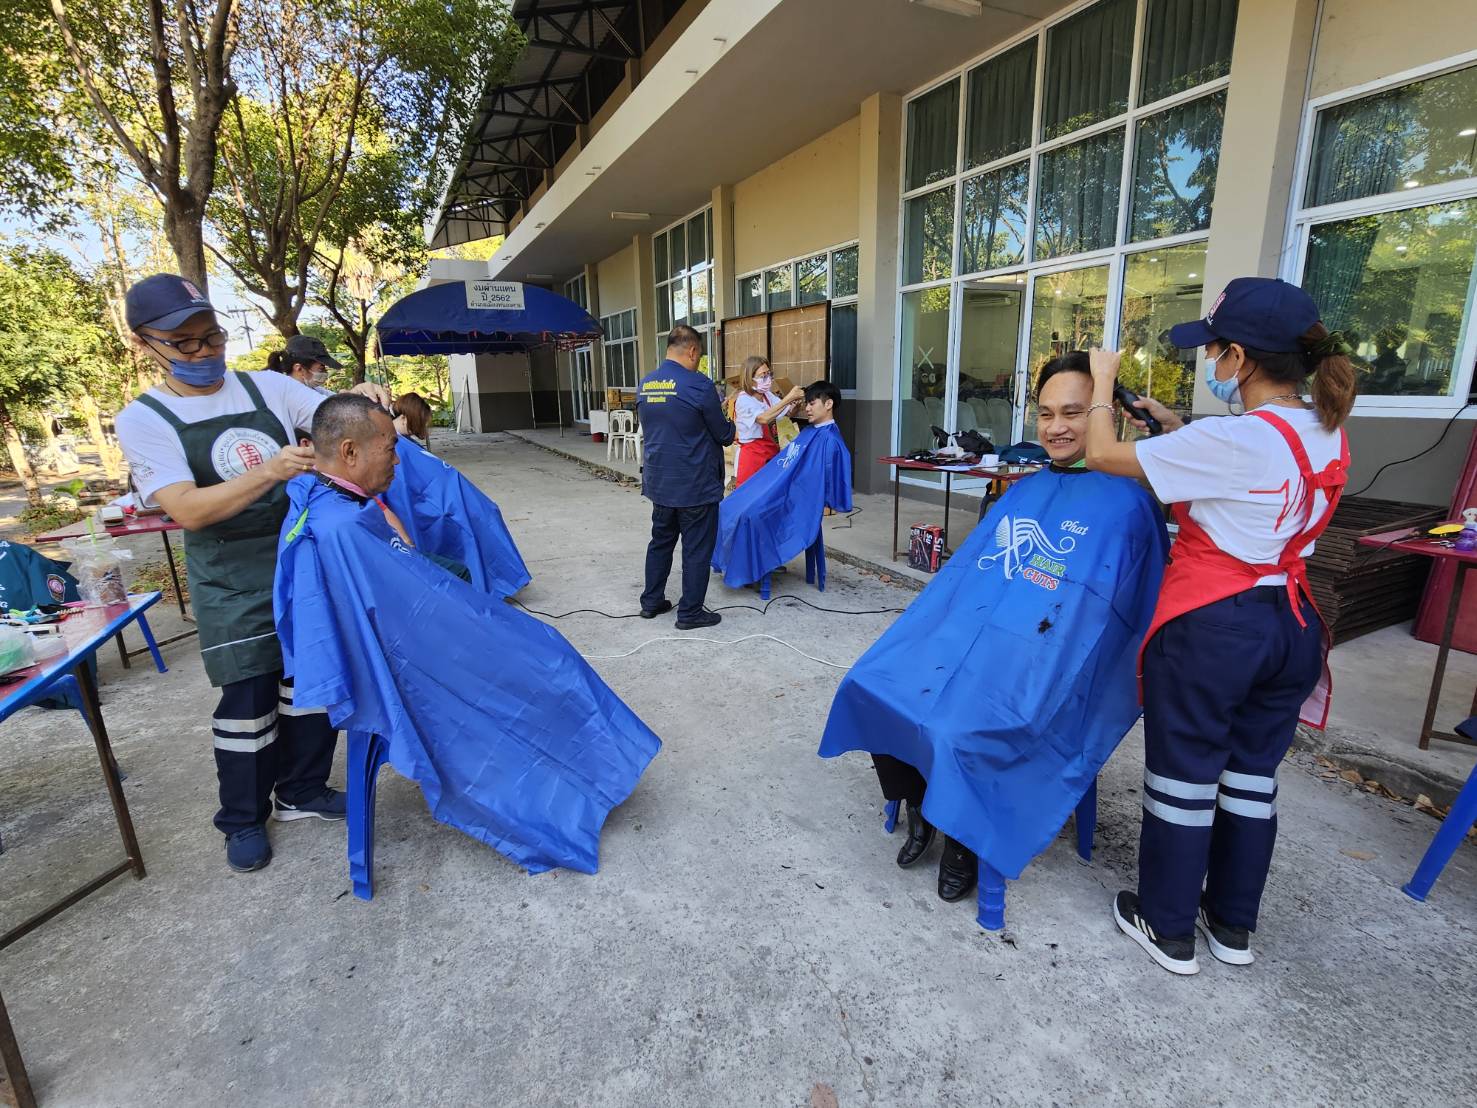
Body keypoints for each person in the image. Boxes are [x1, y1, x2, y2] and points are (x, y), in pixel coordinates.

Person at [820, 353, 1168, 903]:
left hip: (1042, 666)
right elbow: (967, 580)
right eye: (1047, 413)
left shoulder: (1129, 507)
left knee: (960, 728)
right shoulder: (1024, 490)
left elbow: (1117, 623)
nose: (1056, 427)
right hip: (975, 639)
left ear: (1106, 415)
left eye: (1074, 413)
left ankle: (963, 839)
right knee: (872, 683)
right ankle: (920, 804)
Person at [1083, 277, 1356, 976]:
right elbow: (1250, 473)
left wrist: (1101, 382)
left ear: (1239, 356)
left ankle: (1166, 925)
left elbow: (1100, 456)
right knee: (1249, 777)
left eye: (1213, 349)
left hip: (1214, 628)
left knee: (1182, 776)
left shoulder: (1230, 440)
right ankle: (1231, 925)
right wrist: (1174, 432)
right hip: (1289, 625)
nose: (1210, 361)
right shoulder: (1324, 427)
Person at [274, 395, 661, 874]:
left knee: (544, 648)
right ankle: (570, 785)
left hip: (418, 633)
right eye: (391, 447)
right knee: (550, 664)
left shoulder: (326, 500)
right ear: (350, 452)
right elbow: (405, 620)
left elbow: (399, 580)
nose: (399, 458)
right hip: (417, 657)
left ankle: (590, 771)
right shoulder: (342, 529)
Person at [113, 273, 389, 874]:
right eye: (186, 343)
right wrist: (268, 472)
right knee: (248, 699)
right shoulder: (145, 419)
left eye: (212, 336)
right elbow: (186, 508)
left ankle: (302, 789)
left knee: (312, 681)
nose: (205, 351)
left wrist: (362, 404)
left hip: (303, 564)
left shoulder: (265, 389)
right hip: (230, 576)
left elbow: (336, 422)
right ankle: (241, 817)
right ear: (145, 343)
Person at [382, 393, 531, 598]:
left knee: (487, 512)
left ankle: (503, 577)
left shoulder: (405, 443)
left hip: (449, 494)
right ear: (408, 417)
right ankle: (487, 582)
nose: (425, 427)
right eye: (422, 421)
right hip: (435, 504)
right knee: (472, 521)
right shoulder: (398, 447)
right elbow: (406, 489)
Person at [637, 324, 734, 629]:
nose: (698, 361)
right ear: (692, 351)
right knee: (696, 548)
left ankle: (652, 602)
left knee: (661, 542)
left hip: (660, 482)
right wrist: (729, 420)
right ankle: (690, 613)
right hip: (695, 484)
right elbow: (724, 434)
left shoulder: (645, 384)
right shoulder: (699, 385)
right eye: (699, 355)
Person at [711, 381, 852, 589]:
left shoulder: (830, 440)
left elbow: (819, 484)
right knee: (729, 506)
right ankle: (744, 565)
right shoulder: (811, 432)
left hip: (796, 499)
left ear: (828, 404)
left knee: (751, 516)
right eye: (807, 404)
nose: (807, 408)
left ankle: (753, 569)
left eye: (812, 404)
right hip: (782, 489)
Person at [731, 356, 803, 486]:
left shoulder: (767, 396)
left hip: (770, 453)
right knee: (750, 495)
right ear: (750, 379)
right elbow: (763, 418)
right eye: (763, 375)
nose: (768, 379)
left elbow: (787, 412)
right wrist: (789, 397)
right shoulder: (743, 399)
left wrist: (795, 405)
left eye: (769, 374)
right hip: (752, 457)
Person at [266, 334, 342, 396]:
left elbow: (335, 398)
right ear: (299, 369)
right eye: (321, 369)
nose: (325, 373)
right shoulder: (293, 396)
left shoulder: (312, 389)